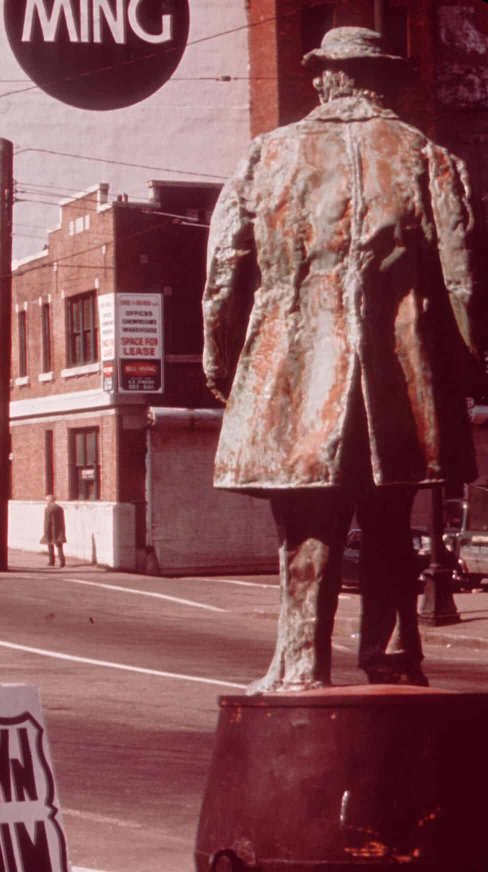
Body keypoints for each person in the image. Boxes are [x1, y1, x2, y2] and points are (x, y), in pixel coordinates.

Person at [203, 27, 484, 693]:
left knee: (307, 524)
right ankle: (391, 661)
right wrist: (472, 368)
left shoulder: (265, 157)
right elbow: (464, 281)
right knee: (391, 521)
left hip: (296, 368)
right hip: (403, 372)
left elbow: (222, 276)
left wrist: (221, 361)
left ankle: (301, 664)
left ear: (325, 78)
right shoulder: (429, 159)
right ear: (382, 81)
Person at [40, 494, 66, 567]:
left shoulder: (48, 509)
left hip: (50, 530)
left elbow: (47, 521)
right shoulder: (60, 508)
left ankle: (51, 561)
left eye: (47, 500)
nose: (46, 502)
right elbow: (62, 521)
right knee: (59, 546)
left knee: (50, 545)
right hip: (59, 530)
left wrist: (45, 531)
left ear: (49, 500)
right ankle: (62, 562)